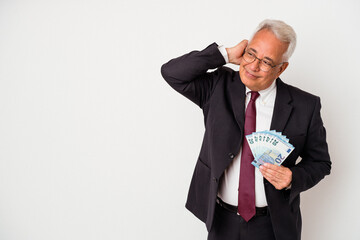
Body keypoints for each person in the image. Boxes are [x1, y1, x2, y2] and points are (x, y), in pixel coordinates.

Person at [161, 19, 331, 240]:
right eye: (251, 54)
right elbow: (172, 73)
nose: (253, 66)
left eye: (267, 61)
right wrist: (225, 54)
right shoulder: (217, 86)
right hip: (222, 220)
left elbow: (321, 163)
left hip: (273, 225)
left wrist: (292, 177)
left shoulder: (305, 106)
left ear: (282, 68)